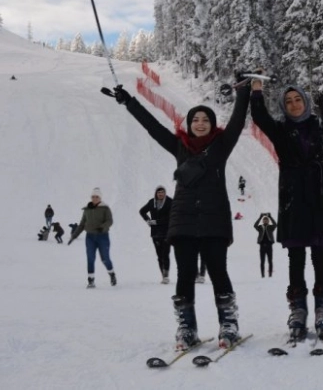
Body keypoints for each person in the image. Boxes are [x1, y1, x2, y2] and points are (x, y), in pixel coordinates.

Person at [111, 73, 250, 350]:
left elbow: (236, 120)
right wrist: (129, 102)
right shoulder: (179, 146)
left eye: (205, 120)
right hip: (183, 221)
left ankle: (228, 324)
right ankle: (186, 328)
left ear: (212, 125)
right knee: (185, 274)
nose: (200, 123)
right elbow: (152, 127)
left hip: (214, 221)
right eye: (195, 119)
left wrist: (244, 90)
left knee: (218, 272)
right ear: (189, 124)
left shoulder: (221, 146)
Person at [249, 62, 323, 342]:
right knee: (295, 258)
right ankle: (297, 310)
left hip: (322, 196)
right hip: (293, 199)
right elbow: (260, 117)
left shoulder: (322, 126)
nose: (294, 104)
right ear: (284, 106)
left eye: (298, 99)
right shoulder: (280, 130)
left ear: (306, 101)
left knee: (320, 257)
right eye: (288, 101)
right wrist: (256, 90)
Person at [69, 187, 116, 289]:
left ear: (100, 198)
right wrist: (74, 236)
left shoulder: (105, 208)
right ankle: (91, 281)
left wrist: (102, 227)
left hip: (103, 237)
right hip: (90, 237)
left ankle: (112, 274)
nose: (94, 198)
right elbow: (82, 224)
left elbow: (110, 221)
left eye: (97, 197)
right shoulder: (87, 209)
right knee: (90, 258)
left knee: (105, 258)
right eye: (93, 197)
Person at [139, 185, 173, 284]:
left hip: (167, 232)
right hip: (155, 233)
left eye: (162, 192)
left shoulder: (170, 202)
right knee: (159, 255)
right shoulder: (151, 202)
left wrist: (156, 221)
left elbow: (170, 217)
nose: (160, 194)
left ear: (165, 193)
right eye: (159, 192)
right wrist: (148, 220)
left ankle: (166, 276)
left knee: (166, 254)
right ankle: (163, 274)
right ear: (156, 193)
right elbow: (142, 211)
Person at [254, 213, 277, 278]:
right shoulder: (260, 227)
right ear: (263, 221)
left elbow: (275, 224)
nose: (265, 221)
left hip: (269, 246)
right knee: (262, 261)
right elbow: (255, 225)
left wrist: (270, 217)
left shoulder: (270, 227)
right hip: (262, 246)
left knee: (270, 261)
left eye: (266, 220)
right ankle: (262, 275)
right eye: (264, 220)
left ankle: (270, 274)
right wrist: (260, 217)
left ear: (268, 221)